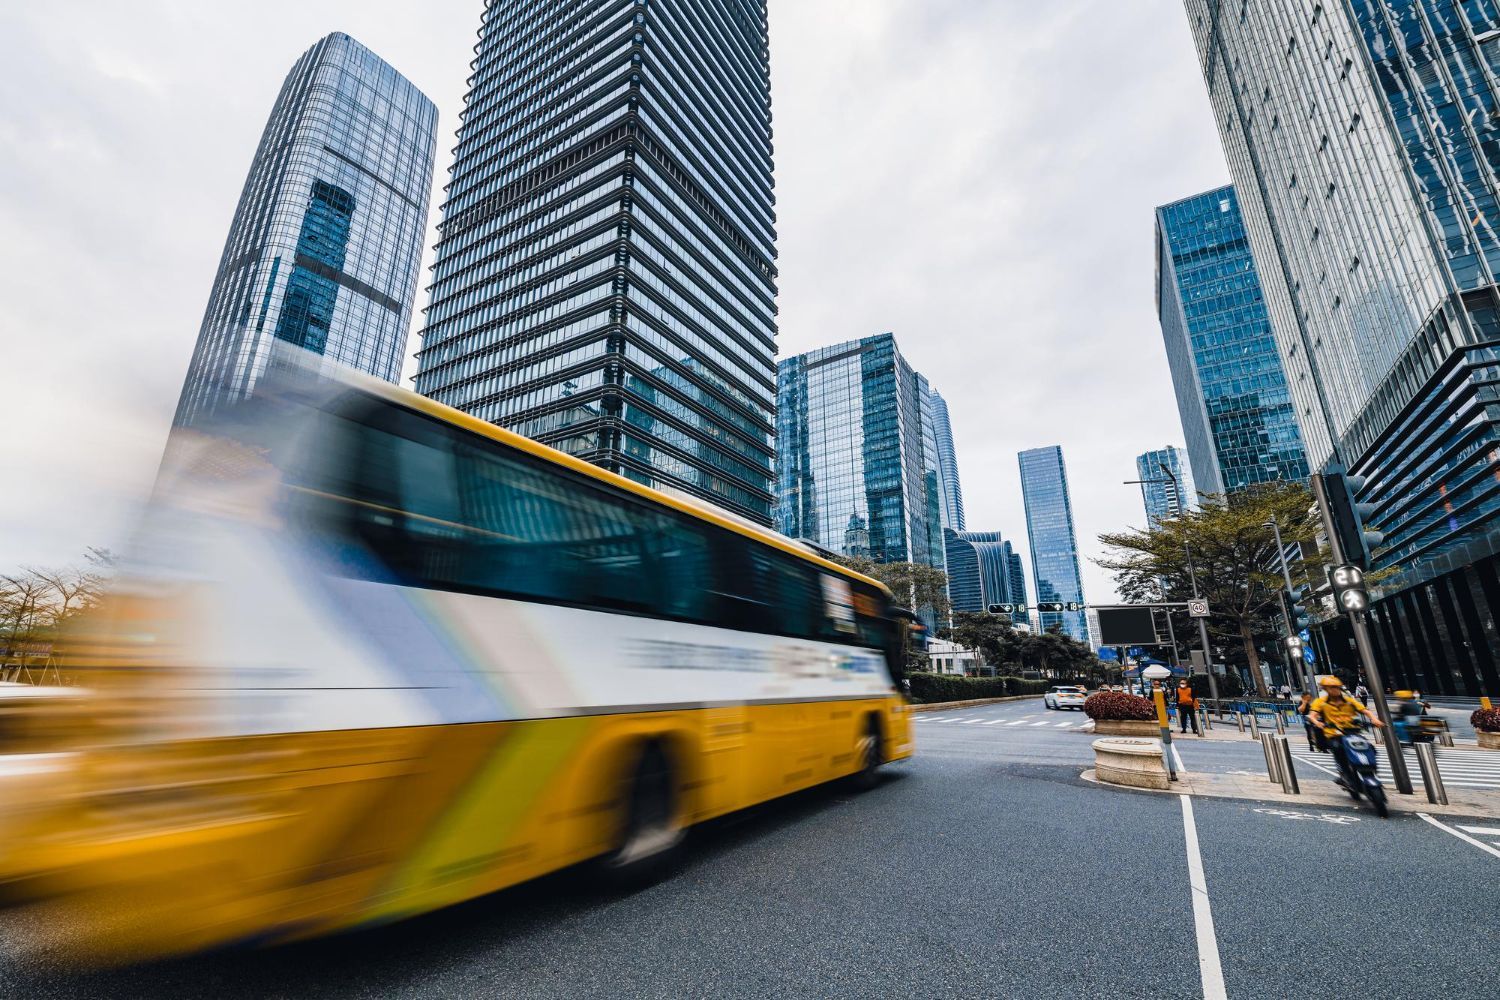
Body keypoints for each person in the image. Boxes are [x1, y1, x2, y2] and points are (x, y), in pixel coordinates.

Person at [1308, 677, 1384, 790]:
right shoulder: (1320, 702)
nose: (1335, 690)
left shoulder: (1348, 700)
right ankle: (1345, 774)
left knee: (1370, 748)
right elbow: (1312, 715)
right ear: (1326, 689)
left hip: (1352, 731)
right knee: (1338, 748)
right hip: (1334, 734)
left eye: (1337, 687)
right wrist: (1317, 723)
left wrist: (1374, 719)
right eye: (1332, 688)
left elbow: (1365, 711)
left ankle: (1372, 772)